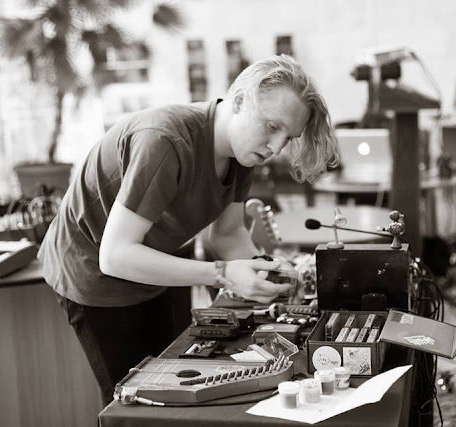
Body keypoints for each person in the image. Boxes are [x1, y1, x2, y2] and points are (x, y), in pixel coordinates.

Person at [38, 54, 339, 405]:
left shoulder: (242, 152)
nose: (275, 148)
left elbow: (226, 234)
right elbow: (115, 256)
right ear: (239, 101)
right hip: (93, 270)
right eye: (272, 127)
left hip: (154, 260)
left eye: (288, 138)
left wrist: (267, 274)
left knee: (172, 387)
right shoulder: (165, 140)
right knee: (135, 403)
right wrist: (223, 273)